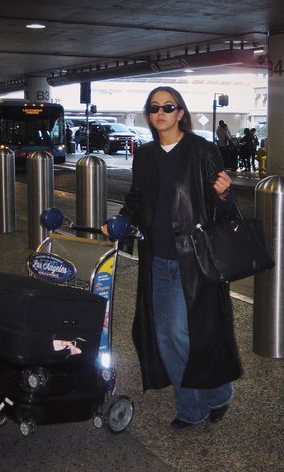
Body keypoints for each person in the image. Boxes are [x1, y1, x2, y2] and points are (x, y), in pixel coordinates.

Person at [102, 86, 242, 430]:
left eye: (168, 106)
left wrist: (224, 195)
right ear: (149, 115)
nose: (160, 112)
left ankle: (207, 398)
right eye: (154, 108)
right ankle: (203, 402)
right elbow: (137, 198)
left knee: (181, 334)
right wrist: (121, 222)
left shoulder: (203, 151)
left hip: (194, 259)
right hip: (158, 259)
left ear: (181, 113)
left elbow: (222, 210)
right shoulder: (145, 155)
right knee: (165, 337)